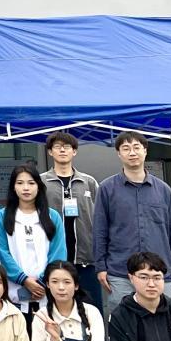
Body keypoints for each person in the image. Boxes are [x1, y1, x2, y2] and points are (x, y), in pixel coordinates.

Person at [93, 132, 171, 304]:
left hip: (160, 273)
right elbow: (100, 231)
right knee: (123, 318)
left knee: (162, 318)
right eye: (126, 148)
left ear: (145, 151)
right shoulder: (107, 188)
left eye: (136, 147)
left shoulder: (163, 190)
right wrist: (101, 267)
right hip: (120, 272)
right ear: (118, 153)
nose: (132, 153)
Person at [0, 165, 66, 328]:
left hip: (46, 291)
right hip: (14, 292)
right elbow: (1, 253)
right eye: (20, 183)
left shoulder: (52, 216)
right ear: (13, 187)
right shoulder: (2, 217)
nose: (25, 188)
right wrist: (23, 280)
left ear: (39, 186)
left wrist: (43, 282)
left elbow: (58, 253)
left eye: (31, 183)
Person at [41, 132, 103, 310]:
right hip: (52, 258)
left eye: (67, 147)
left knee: (91, 308)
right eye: (57, 147)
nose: (62, 150)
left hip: (86, 258)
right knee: (55, 308)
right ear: (50, 152)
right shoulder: (41, 182)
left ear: (74, 151)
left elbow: (100, 218)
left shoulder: (88, 182)